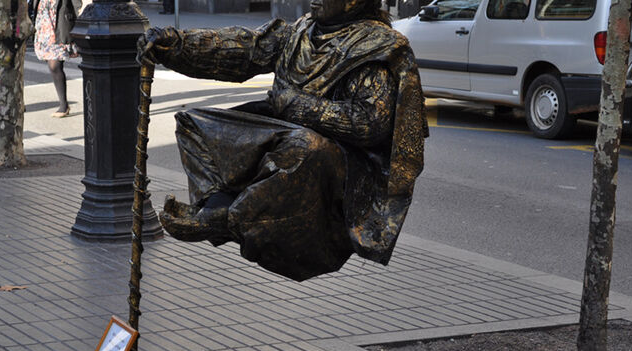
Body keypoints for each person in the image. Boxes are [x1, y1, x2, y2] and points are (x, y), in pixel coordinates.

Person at [137, 0, 428, 281]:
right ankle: (216, 207)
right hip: (283, 131)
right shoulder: (300, 31)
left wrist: (298, 105)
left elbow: (370, 122)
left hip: (344, 165)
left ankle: (231, 219)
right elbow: (244, 48)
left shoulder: (377, 45)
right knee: (195, 124)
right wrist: (175, 44)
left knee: (303, 147)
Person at [32, 0, 81, 117]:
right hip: (44, 25)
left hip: (60, 24)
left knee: (54, 65)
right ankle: (64, 105)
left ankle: (63, 106)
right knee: (53, 65)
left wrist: (78, 24)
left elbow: (76, 4)